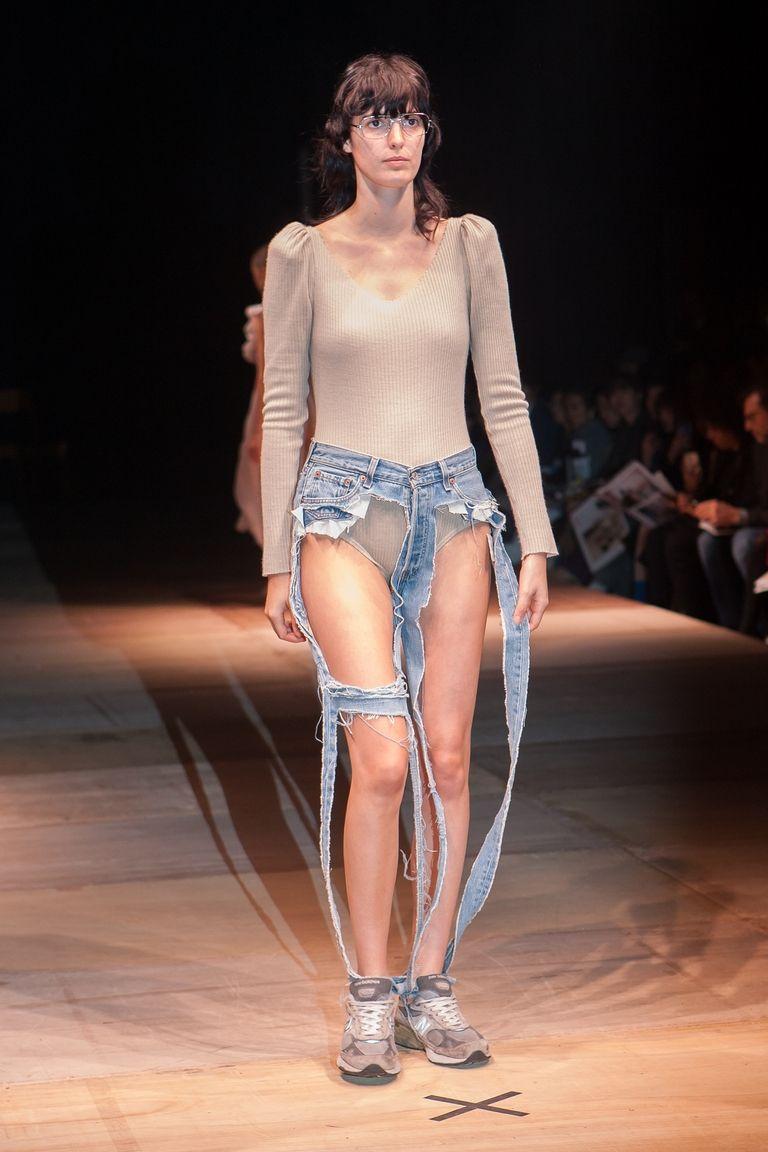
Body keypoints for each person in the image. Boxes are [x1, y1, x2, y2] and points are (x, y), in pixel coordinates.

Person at [259, 51, 558, 1085]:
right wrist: (274, 560)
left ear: (429, 133)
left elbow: (504, 396)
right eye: (377, 119)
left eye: (412, 118)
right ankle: (369, 995)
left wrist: (536, 536)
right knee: (381, 760)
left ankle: (432, 981)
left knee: (446, 759)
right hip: (341, 513)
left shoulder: (471, 244)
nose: (397, 136)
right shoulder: (301, 252)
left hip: (458, 507)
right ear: (344, 138)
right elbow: (285, 409)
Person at [695, 381, 768, 633]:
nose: (747, 426)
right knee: (707, 541)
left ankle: (756, 625)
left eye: (752, 416)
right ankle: (731, 622)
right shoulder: (759, 450)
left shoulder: (754, 449)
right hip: (757, 521)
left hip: (757, 525)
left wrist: (741, 516)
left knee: (745, 544)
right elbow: (754, 499)